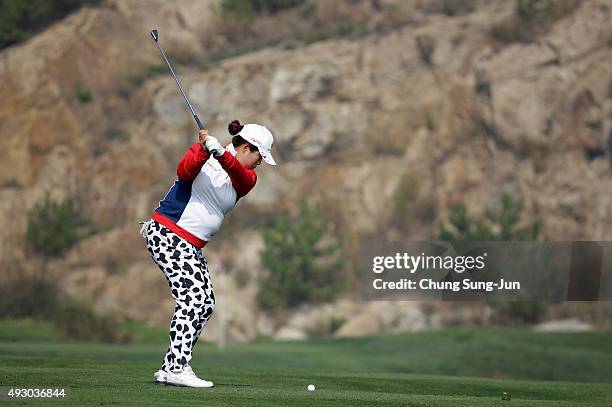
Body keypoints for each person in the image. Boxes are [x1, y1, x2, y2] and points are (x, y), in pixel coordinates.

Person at [139, 120, 276, 388]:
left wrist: (221, 153)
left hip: (188, 244)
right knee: (192, 299)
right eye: (260, 155)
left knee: (206, 303)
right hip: (168, 233)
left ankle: (171, 367)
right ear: (248, 147)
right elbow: (184, 172)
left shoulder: (247, 177)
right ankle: (177, 366)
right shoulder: (203, 153)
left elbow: (238, 175)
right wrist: (204, 149)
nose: (261, 162)